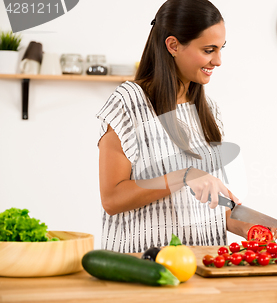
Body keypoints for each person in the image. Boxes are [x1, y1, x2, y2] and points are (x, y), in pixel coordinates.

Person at [96, 0, 268, 253]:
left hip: (203, 264)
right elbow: (112, 199)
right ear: (173, 45)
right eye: (209, 50)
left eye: (221, 49)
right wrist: (184, 176)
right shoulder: (129, 102)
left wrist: (247, 227)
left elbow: (210, 202)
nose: (218, 61)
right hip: (148, 266)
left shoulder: (209, 110)